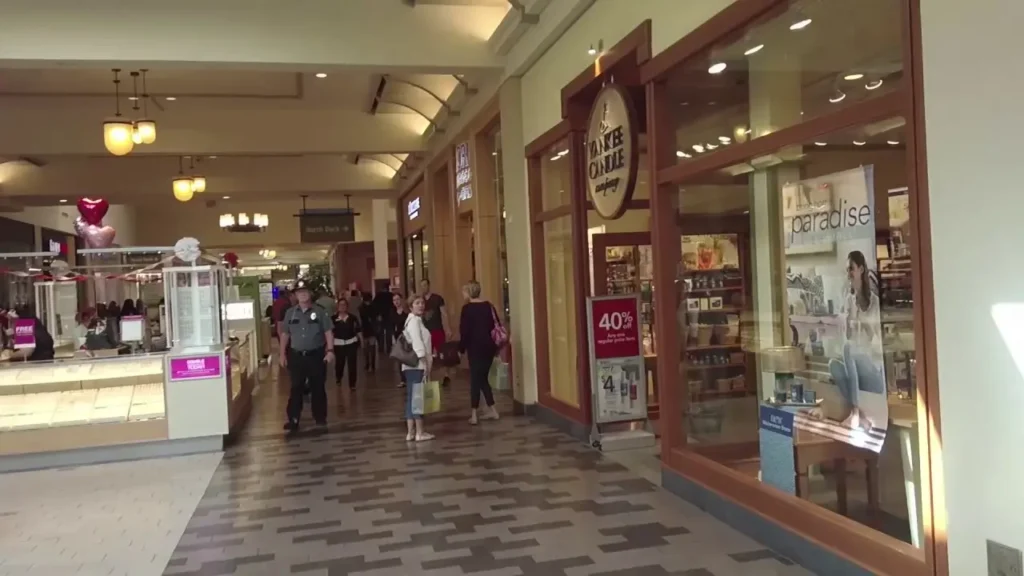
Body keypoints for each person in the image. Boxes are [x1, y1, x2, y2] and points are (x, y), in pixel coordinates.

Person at [829, 250, 885, 432]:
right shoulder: (849, 300)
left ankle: (854, 413)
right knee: (833, 365)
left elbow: (878, 341)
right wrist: (846, 322)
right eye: (847, 270)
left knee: (849, 349)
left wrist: (864, 325)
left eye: (851, 269)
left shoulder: (875, 303)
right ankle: (860, 415)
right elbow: (849, 338)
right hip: (856, 366)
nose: (849, 274)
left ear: (861, 269)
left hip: (872, 370)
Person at [279, 279, 335, 432]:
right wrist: (282, 354)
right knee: (296, 387)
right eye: (299, 293)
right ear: (295, 295)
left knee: (318, 387)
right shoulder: (290, 313)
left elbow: (328, 331)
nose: (302, 295)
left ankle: (320, 417)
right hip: (296, 356)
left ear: (310, 294)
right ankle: (293, 419)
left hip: (316, 355)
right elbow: (285, 334)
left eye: (305, 292)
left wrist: (330, 351)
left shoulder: (320, 311)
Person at [458, 281, 500, 425]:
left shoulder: (467, 309)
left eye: (464, 291)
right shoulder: (489, 306)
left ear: (469, 292)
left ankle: (474, 414)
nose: (463, 294)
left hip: (475, 347)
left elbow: (465, 331)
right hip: (489, 347)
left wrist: (461, 349)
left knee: (476, 379)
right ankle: (493, 410)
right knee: (482, 378)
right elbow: (496, 325)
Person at [402, 294, 434, 442]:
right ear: (410, 306)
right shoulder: (414, 322)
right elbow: (418, 344)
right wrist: (425, 363)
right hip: (417, 364)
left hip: (410, 366)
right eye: (417, 303)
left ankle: (411, 432)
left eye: (422, 303)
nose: (421, 305)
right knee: (418, 398)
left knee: (411, 398)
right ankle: (420, 432)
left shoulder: (412, 321)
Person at [419, 279, 451, 388]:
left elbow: (444, 313)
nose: (423, 287)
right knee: (427, 354)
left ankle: (446, 375)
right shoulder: (420, 301)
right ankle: (428, 376)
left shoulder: (437, 298)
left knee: (442, 353)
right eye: (421, 286)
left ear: (429, 285)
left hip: (437, 329)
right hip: (426, 331)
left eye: (425, 285)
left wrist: (448, 328)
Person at [332, 297, 361, 389]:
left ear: (347, 306)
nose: (342, 307)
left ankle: (352, 384)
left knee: (352, 364)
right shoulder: (333, 319)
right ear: (337, 306)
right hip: (338, 344)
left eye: (344, 305)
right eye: (340, 305)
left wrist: (361, 340)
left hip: (351, 343)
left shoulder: (352, 318)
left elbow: (358, 329)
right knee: (340, 363)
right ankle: (338, 377)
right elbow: (330, 332)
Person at [391, 292, 409, 388]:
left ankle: (409, 377)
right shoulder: (392, 312)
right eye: (394, 300)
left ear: (401, 300)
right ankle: (403, 379)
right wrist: (393, 338)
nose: (396, 302)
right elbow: (391, 326)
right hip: (398, 337)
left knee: (408, 358)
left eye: (398, 299)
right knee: (400, 359)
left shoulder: (406, 312)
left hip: (406, 336)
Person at [359, 292, 377, 373]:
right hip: (372, 329)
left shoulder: (360, 308)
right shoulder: (374, 307)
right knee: (372, 348)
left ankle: (367, 364)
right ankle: (372, 365)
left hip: (364, 329)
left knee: (366, 348)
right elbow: (376, 317)